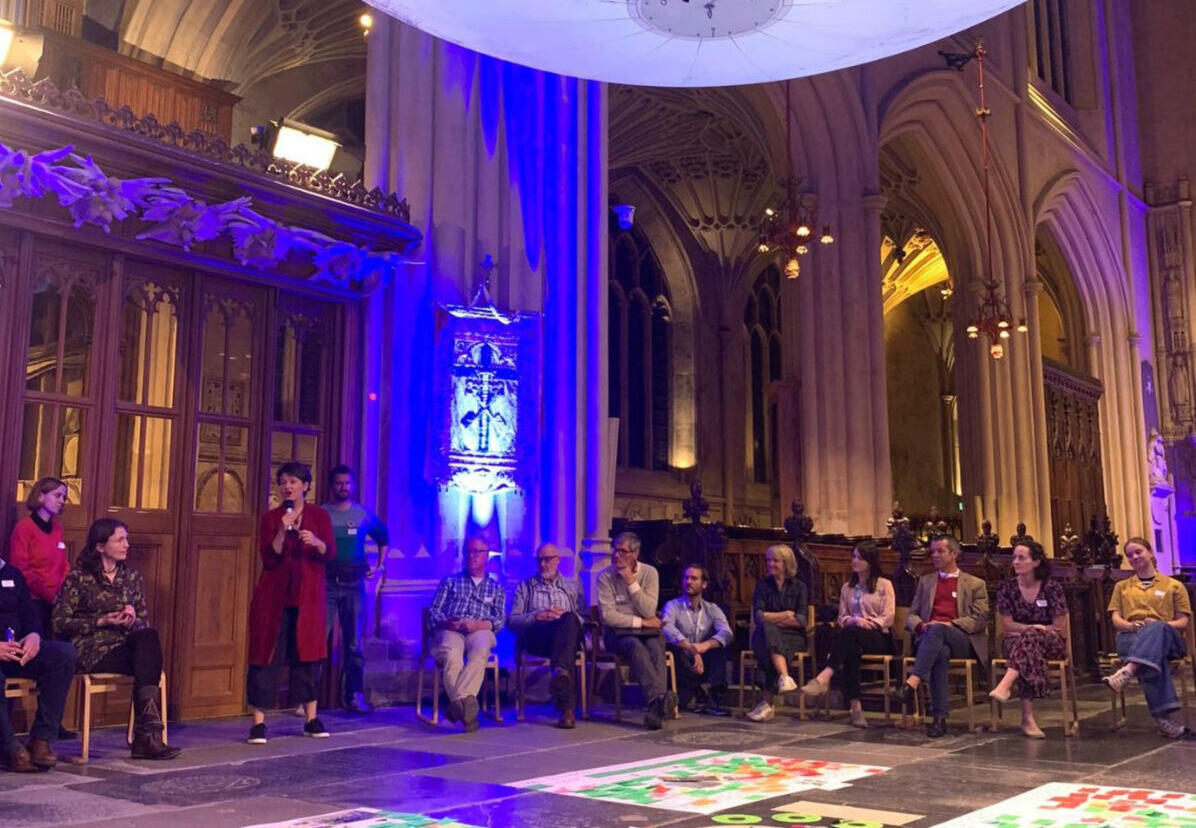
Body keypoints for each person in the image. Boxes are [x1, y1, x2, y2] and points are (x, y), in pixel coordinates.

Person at [51, 518, 179, 759]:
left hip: (123, 646)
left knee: (148, 637)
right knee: (147, 663)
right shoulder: (78, 578)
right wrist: (101, 621)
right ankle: (147, 737)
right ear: (101, 546)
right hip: (91, 649)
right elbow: (59, 622)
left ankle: (147, 734)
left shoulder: (131, 577)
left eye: (126, 539)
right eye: (120, 540)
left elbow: (143, 621)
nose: (126, 545)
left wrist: (132, 619)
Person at [246, 461, 336, 744]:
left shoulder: (319, 515)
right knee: (266, 655)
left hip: (308, 598)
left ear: (305, 486)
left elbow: (329, 552)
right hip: (274, 598)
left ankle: (311, 719)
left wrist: (317, 542)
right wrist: (282, 531)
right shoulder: (271, 518)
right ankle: (258, 723)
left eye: (293, 482)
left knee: (308, 656)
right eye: (283, 482)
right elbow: (269, 557)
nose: (287, 486)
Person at [891, 534, 988, 737]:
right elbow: (911, 615)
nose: (934, 555)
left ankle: (912, 682)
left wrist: (949, 624)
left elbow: (979, 619)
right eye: (932, 551)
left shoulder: (975, 583)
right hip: (931, 640)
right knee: (940, 653)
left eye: (940, 551)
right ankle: (939, 720)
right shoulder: (925, 582)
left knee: (938, 630)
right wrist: (921, 626)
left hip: (961, 638)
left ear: (954, 554)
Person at [1102, 536, 1193, 739]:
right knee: (1151, 659)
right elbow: (1116, 619)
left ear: (1150, 553)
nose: (1134, 557)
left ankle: (1127, 671)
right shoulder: (1122, 586)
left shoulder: (1174, 585)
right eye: (1130, 555)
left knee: (1156, 630)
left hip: (1168, 639)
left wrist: (1159, 625)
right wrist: (1129, 625)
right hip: (1131, 637)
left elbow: (1182, 622)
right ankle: (1163, 720)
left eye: (1138, 552)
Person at [801, 540, 894, 728]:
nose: (855, 561)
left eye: (860, 558)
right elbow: (842, 616)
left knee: (850, 635)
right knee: (851, 650)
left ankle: (825, 675)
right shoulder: (847, 587)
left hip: (877, 636)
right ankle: (856, 707)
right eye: (853, 557)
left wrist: (868, 623)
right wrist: (852, 621)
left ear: (870, 561)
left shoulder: (884, 585)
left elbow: (889, 616)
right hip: (852, 635)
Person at [0, 551, 76, 772]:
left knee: (63, 654)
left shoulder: (12, 574)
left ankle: (41, 739)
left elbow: (30, 614)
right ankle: (9, 748)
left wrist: (34, 636)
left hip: (16, 650)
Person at [322, 464, 388, 714]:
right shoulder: (322, 513)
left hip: (354, 584)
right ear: (332, 486)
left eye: (347, 483)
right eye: (339, 483)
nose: (344, 487)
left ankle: (354, 695)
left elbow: (384, 536)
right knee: (318, 641)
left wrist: (380, 566)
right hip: (327, 584)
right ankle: (309, 698)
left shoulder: (362, 514)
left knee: (354, 645)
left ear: (353, 485)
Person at [987, 540, 1068, 738]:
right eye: (1014, 557)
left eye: (1021, 558)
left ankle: (1006, 685)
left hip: (1050, 643)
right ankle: (1027, 718)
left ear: (1036, 562)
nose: (1015, 561)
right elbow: (1007, 625)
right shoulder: (1006, 588)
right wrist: (1033, 629)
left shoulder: (1052, 588)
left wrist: (1038, 630)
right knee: (1028, 648)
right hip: (1015, 643)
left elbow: (1059, 627)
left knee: (1028, 642)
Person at [597, 531, 677, 729]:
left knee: (656, 644)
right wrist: (641, 622)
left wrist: (631, 583)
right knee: (634, 645)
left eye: (623, 551)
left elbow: (649, 610)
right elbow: (608, 616)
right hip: (616, 634)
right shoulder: (605, 577)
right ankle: (659, 699)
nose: (617, 555)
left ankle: (655, 708)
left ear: (635, 554)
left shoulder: (650, 573)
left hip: (646, 633)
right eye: (615, 550)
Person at [429, 535, 505, 732]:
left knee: (480, 652)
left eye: (477, 552)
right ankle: (466, 707)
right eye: (469, 552)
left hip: (480, 628)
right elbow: (434, 611)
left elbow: (499, 619)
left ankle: (456, 705)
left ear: (487, 556)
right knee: (452, 656)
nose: (472, 556)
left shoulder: (495, 588)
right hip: (453, 628)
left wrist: (479, 625)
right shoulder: (450, 582)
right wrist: (447, 622)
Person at [508, 542, 583, 728]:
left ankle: (563, 692)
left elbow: (584, 618)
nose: (543, 564)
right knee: (565, 650)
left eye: (548, 560)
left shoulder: (571, 587)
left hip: (565, 637)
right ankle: (565, 702)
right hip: (538, 637)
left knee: (569, 619)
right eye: (540, 560)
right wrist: (537, 616)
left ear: (558, 560)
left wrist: (563, 617)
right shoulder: (525, 587)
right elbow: (512, 620)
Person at [746, 544, 808, 723]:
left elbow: (801, 620)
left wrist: (771, 617)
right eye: (768, 560)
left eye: (775, 561)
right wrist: (786, 614)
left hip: (793, 637)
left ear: (786, 563)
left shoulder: (800, 587)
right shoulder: (762, 585)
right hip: (766, 634)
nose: (770, 564)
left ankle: (766, 704)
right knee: (767, 631)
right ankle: (784, 676)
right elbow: (758, 617)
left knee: (768, 641)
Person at [661, 564, 733, 716]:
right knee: (674, 647)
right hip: (683, 659)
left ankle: (716, 698)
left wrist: (705, 645)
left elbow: (727, 632)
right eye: (686, 578)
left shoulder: (711, 608)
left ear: (704, 584)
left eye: (694, 578)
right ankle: (697, 695)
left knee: (720, 647)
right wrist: (692, 649)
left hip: (704, 660)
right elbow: (667, 628)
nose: (689, 582)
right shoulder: (672, 606)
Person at [9, 477, 71, 634]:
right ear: (41, 496)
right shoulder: (24, 528)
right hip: (33, 599)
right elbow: (21, 570)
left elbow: (63, 563)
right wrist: (49, 595)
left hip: (57, 598)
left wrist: (63, 591)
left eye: (64, 497)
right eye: (57, 495)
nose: (62, 501)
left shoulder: (57, 529)